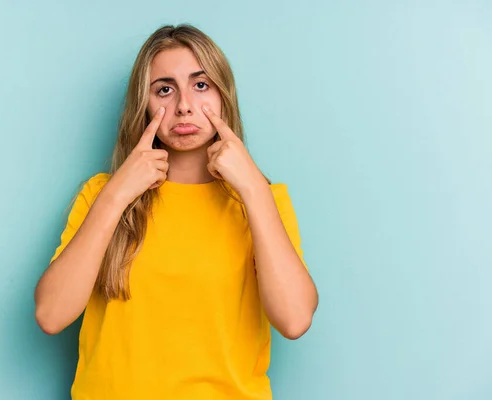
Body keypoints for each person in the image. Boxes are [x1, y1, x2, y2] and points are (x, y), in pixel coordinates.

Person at [34, 23, 319, 400]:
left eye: (201, 85)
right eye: (164, 89)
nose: (184, 105)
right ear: (144, 104)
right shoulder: (101, 194)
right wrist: (117, 193)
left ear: (223, 97)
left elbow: (295, 320)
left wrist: (252, 189)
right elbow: (51, 316)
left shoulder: (263, 200)